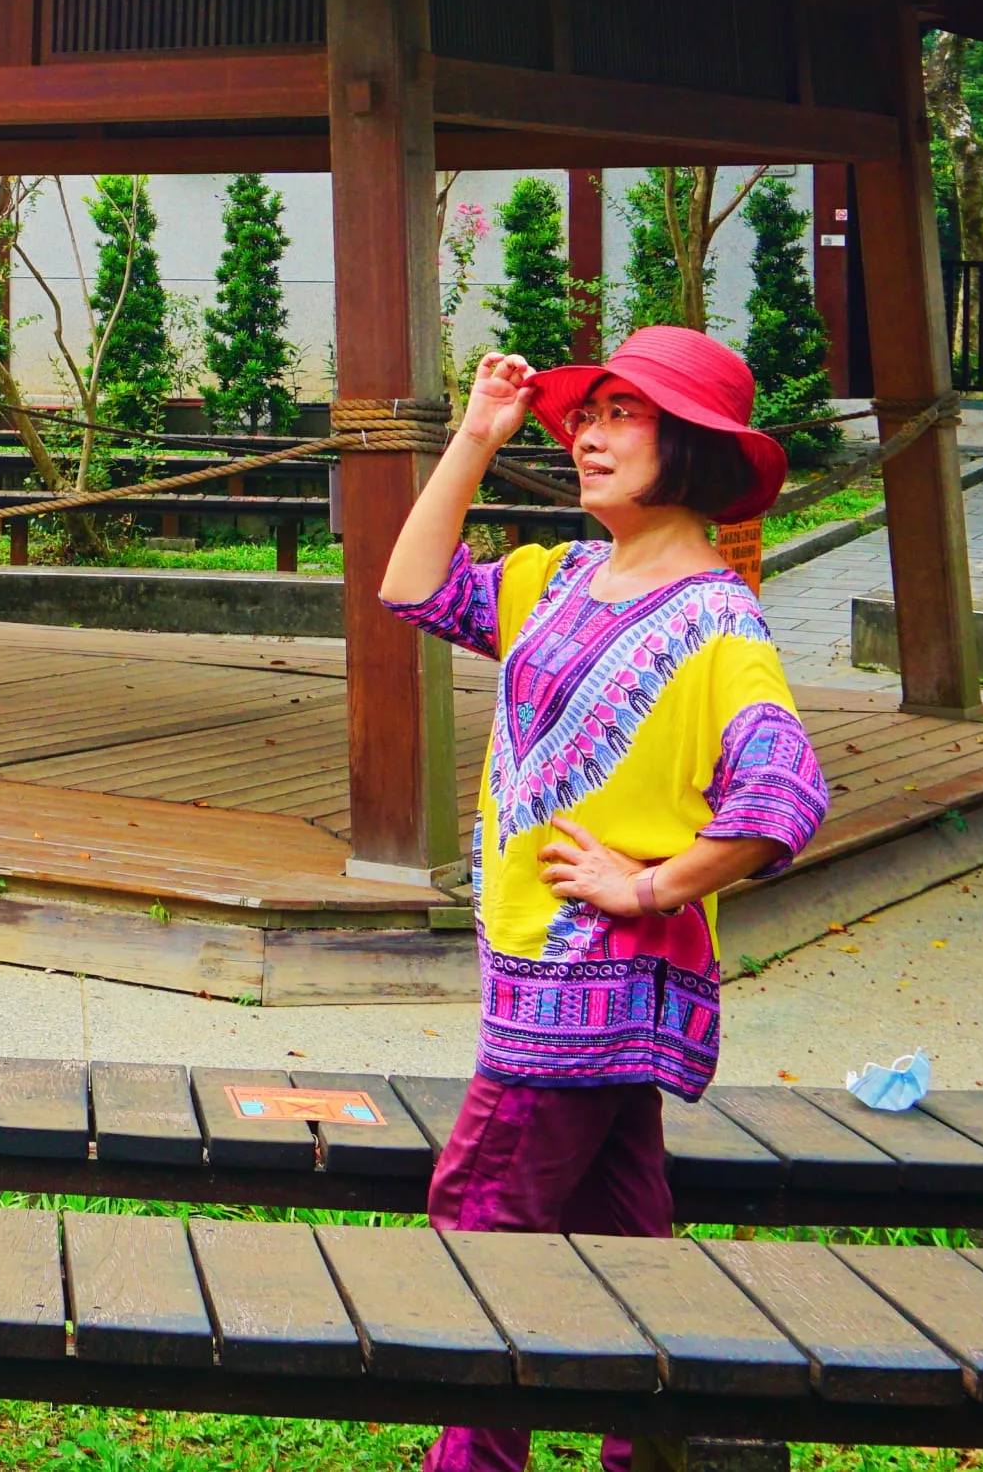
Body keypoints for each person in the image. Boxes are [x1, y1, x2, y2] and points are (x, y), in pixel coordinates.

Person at [380, 327, 830, 1472]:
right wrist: (477, 437)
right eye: (588, 413)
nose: (586, 432)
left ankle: (475, 1466)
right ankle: (659, 1450)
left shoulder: (718, 623)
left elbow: (781, 792)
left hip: (582, 986)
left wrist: (648, 883)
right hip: (543, 969)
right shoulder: (561, 577)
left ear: (690, 447)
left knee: (480, 1219)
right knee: (624, 1236)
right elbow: (412, 587)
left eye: (624, 414)